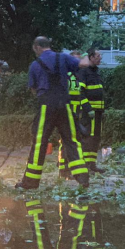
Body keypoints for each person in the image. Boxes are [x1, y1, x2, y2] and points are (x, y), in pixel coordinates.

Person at [16, 37, 90, 190]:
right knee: (72, 140)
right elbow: (84, 64)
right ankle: (83, 179)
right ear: (49, 45)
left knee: (39, 143)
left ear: (36, 47)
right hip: (65, 105)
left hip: (46, 106)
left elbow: (33, 90)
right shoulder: (63, 57)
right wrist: (88, 54)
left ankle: (30, 183)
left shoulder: (35, 65)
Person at [58, 51, 95, 179]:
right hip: (67, 111)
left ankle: (70, 169)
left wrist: (86, 109)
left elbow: (79, 95)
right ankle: (64, 169)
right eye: (75, 60)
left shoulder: (77, 75)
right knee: (66, 141)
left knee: (74, 140)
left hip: (75, 112)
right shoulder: (66, 75)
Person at [79, 48, 106, 173]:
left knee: (96, 138)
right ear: (90, 57)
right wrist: (88, 108)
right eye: (98, 55)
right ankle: (85, 165)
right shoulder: (84, 72)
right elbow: (80, 93)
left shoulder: (96, 72)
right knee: (87, 138)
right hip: (90, 113)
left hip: (98, 112)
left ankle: (92, 164)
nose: (100, 57)